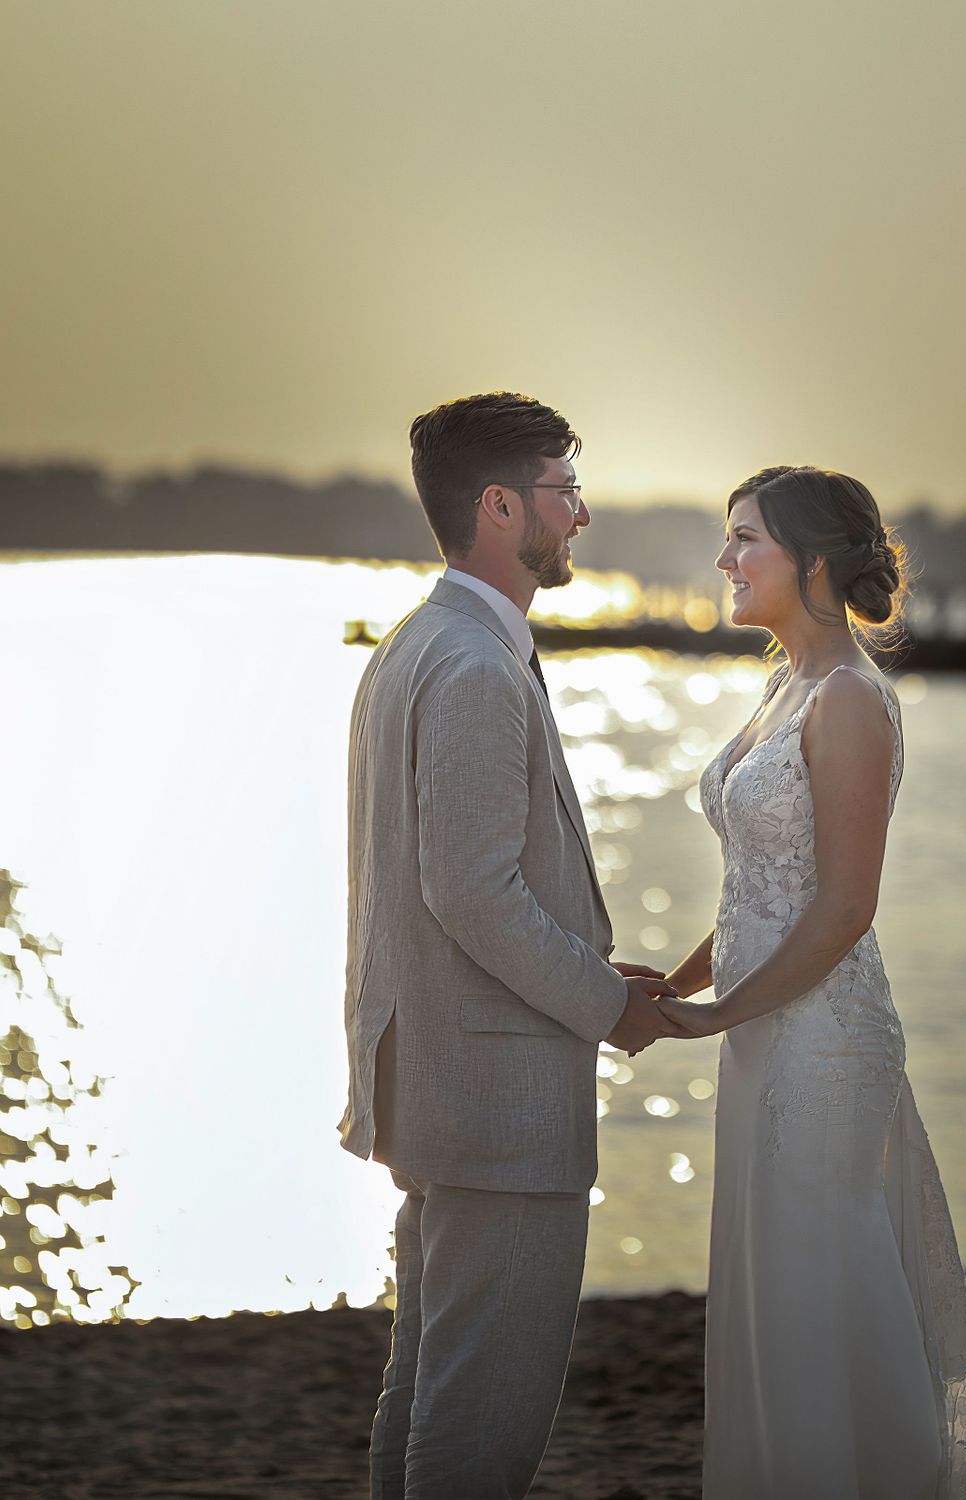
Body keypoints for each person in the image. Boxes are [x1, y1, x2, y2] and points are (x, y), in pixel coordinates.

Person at [338, 391, 684, 1499]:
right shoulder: (478, 667)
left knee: (428, 1390)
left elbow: (456, 879)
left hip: (435, 1078)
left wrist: (591, 965)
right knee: (480, 1428)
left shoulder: (414, 645)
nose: (579, 516)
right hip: (497, 1101)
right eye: (564, 489)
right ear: (498, 506)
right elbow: (473, 892)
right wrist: (606, 1004)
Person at [657, 466, 966, 1499]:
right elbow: (760, 888)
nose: (725, 560)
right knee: (770, 1284)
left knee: (818, 1282)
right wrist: (667, 991)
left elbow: (845, 907)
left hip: (823, 1040)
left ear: (811, 562)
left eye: (744, 538)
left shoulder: (850, 698)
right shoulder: (781, 686)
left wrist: (714, 1015)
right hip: (768, 1026)